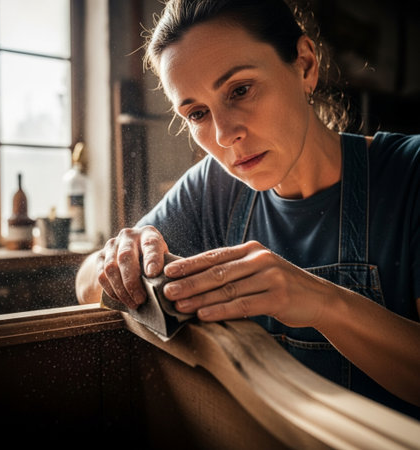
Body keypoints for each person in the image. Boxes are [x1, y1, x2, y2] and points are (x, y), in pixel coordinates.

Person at [76, 0, 420, 418]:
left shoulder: (410, 175)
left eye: (240, 90)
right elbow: (86, 283)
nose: (224, 135)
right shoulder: (214, 188)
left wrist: (322, 302)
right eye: (197, 113)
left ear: (305, 65)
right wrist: (118, 259)